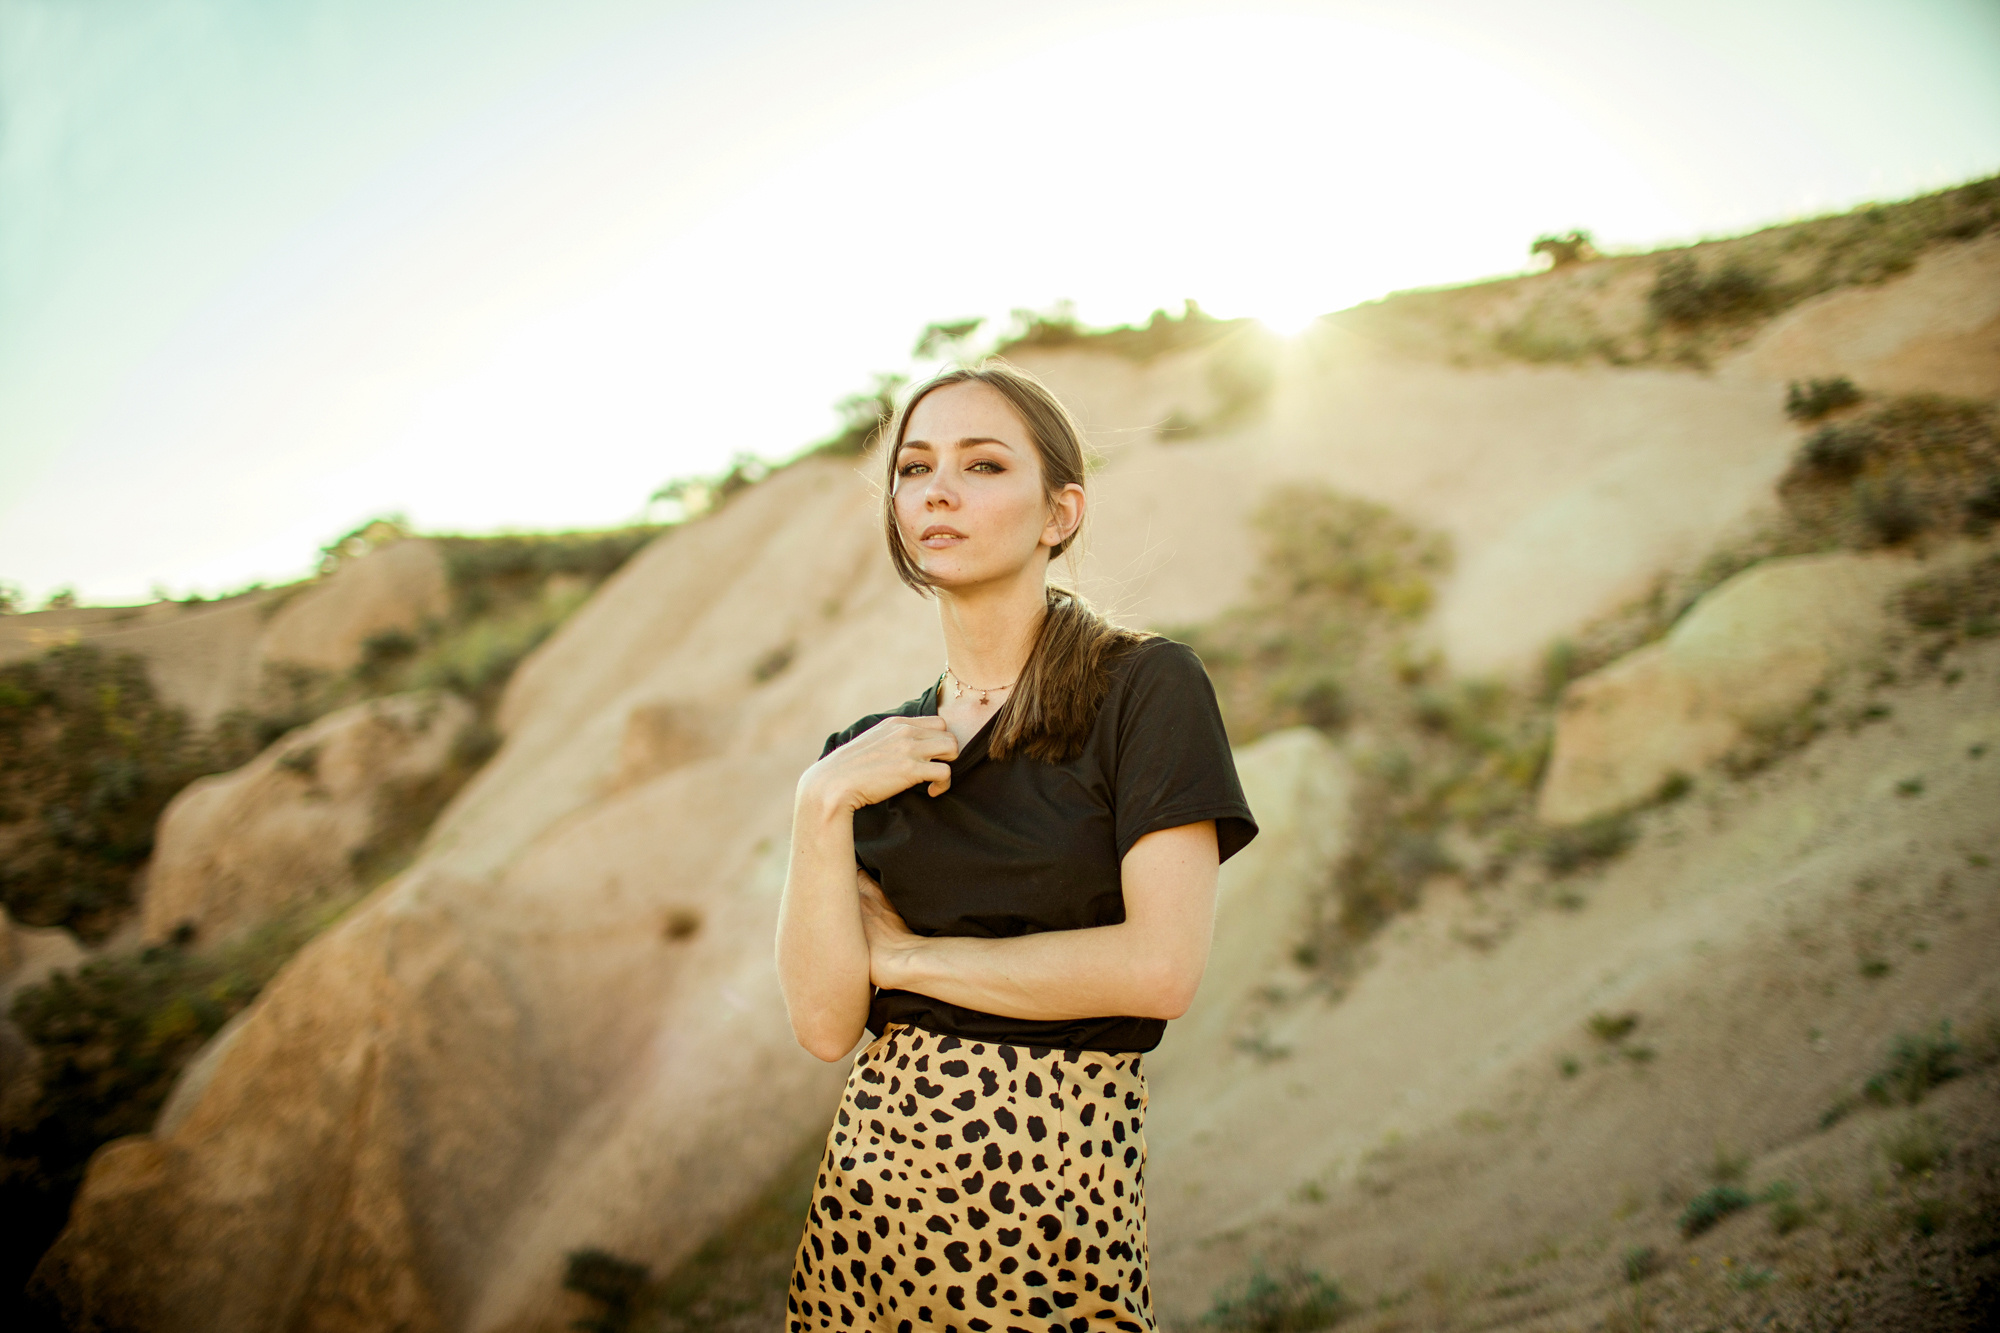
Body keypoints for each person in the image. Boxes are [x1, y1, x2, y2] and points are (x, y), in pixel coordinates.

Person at [776, 361, 1258, 1333]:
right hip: (867, 1202)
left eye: (983, 464)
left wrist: (903, 959)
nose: (937, 490)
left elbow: (1158, 969)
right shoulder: (862, 755)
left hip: (1050, 1192)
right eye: (914, 468)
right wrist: (817, 803)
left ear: (1059, 513)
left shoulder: (1146, 689)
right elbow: (826, 1026)